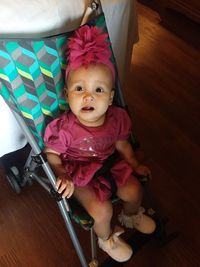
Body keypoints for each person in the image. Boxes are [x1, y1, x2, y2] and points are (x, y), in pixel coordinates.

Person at [44, 25, 156, 262]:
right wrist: (60, 173)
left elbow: (123, 145)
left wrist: (133, 163)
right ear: (66, 94)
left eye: (98, 89)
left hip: (108, 164)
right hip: (79, 173)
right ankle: (106, 240)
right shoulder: (64, 128)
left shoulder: (116, 119)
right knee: (102, 210)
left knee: (135, 190)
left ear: (111, 97)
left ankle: (131, 215)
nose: (88, 96)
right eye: (79, 88)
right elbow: (51, 152)